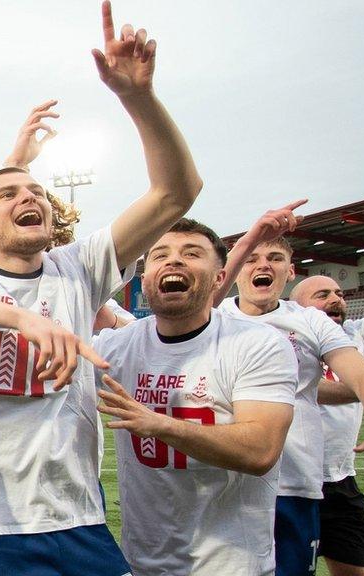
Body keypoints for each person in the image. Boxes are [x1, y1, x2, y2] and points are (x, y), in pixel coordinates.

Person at [0, 3, 203, 572]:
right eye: (8, 194)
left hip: (81, 517)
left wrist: (138, 99)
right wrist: (20, 318)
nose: (30, 197)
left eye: (33, 190)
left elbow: (175, 193)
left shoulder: (77, 268)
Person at [93, 219, 296, 575]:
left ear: (219, 279)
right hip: (140, 563)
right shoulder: (117, 347)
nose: (174, 261)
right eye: (160, 255)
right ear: (146, 277)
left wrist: (161, 425)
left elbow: (261, 449)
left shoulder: (257, 344)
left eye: (192, 254)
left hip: (231, 565)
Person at [218, 233, 364, 575]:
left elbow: (357, 372)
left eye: (274, 257)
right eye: (252, 257)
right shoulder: (214, 319)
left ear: (290, 272)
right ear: (236, 269)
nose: (263, 264)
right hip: (223, 484)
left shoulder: (310, 321)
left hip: (294, 482)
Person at [290, 275, 364, 576]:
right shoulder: (279, 338)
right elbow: (307, 388)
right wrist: (359, 386)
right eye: (322, 295)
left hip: (340, 481)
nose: (336, 299)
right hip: (291, 483)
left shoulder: (353, 336)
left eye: (338, 293)